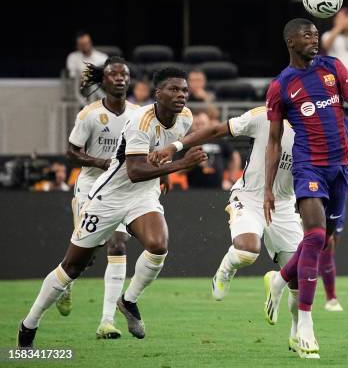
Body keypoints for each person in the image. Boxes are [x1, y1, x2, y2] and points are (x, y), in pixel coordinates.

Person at [17, 67, 207, 348]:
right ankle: (29, 324)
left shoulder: (186, 117)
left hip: (143, 196)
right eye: (174, 90)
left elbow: (164, 147)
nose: (181, 95)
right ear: (158, 94)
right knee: (73, 266)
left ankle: (128, 301)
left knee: (158, 245)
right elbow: (134, 171)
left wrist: (167, 170)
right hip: (110, 196)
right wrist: (181, 165)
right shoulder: (140, 121)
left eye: (184, 90)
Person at [263, 18, 348, 359]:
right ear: (290, 41)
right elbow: (273, 142)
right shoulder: (281, 85)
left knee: (323, 239)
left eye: (316, 35)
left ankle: (278, 281)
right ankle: (305, 322)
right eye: (306, 35)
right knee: (316, 236)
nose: (314, 40)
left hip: (341, 168)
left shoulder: (334, 68)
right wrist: (269, 188)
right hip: (308, 166)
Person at [148, 105, 303, 349]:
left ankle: (297, 332)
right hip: (250, 197)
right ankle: (225, 270)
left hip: (284, 206)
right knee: (247, 251)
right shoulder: (264, 115)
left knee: (300, 281)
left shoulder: (318, 131)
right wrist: (175, 146)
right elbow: (217, 130)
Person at [57, 57, 139, 339]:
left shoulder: (138, 114)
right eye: (113, 74)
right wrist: (99, 162)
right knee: (84, 258)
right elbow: (71, 152)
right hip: (91, 185)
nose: (120, 78)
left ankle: (106, 322)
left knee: (117, 245)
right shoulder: (88, 114)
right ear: (104, 81)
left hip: (120, 189)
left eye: (124, 74)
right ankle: (64, 284)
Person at [318, 116, 348, 313]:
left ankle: (325, 287)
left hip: (339, 184)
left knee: (332, 241)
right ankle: (331, 298)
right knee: (325, 241)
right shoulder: (313, 116)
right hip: (316, 181)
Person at [186, 111, 241, 190]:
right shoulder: (188, 143)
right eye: (196, 124)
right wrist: (192, 162)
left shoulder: (217, 139)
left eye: (202, 124)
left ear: (209, 125)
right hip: (194, 189)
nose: (199, 127)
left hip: (218, 189)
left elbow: (234, 156)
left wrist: (231, 178)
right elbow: (179, 170)